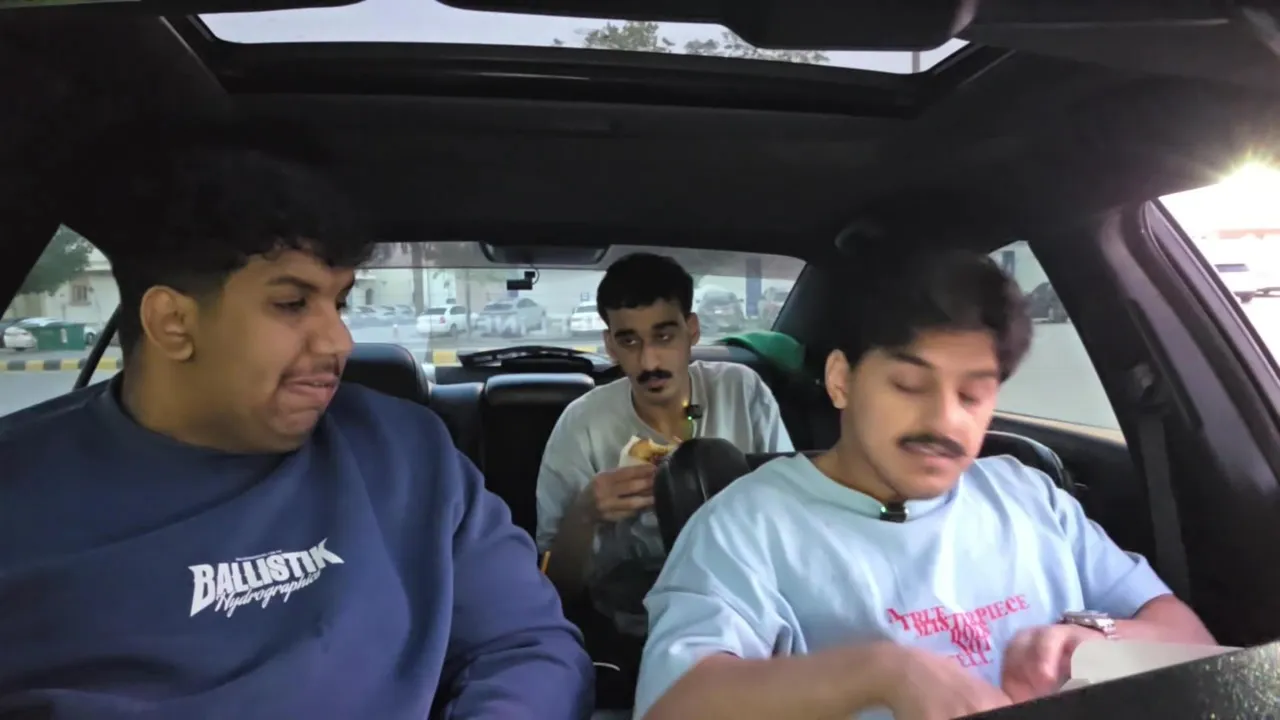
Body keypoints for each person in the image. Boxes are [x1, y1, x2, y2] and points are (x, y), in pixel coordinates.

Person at [0, 136, 593, 719]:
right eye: (291, 303)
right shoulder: (18, 491)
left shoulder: (408, 455)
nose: (339, 341)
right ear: (173, 322)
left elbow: (530, 646)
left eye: (340, 303)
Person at [632, 248, 1216, 720]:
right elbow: (671, 707)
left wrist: (1099, 642)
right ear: (840, 380)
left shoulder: (1028, 495)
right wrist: (882, 673)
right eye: (909, 386)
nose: (944, 421)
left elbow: (1189, 637)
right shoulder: (744, 525)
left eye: (973, 394)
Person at [536, 253, 794, 639]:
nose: (648, 361)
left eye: (664, 336)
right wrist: (586, 513)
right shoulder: (582, 425)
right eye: (629, 341)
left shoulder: (740, 391)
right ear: (610, 345)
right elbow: (552, 587)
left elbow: (791, 519)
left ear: (692, 331)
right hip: (626, 626)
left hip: (745, 610)